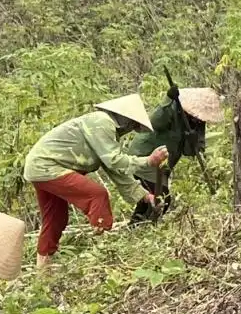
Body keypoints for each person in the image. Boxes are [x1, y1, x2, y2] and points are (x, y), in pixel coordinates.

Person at [22, 95, 170, 270]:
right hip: (48, 167)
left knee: (56, 218)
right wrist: (148, 161)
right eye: (132, 124)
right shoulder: (102, 122)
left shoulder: (105, 129)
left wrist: (144, 196)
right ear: (126, 119)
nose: (131, 129)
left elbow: (115, 169)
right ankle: (103, 251)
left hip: (40, 168)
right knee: (97, 195)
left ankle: (42, 269)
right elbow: (115, 161)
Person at [126, 84, 226, 225]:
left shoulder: (198, 123)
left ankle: (140, 226)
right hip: (146, 156)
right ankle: (142, 226)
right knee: (160, 198)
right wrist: (167, 99)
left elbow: (192, 151)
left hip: (164, 164)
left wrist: (193, 140)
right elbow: (155, 122)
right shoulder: (172, 109)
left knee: (159, 198)